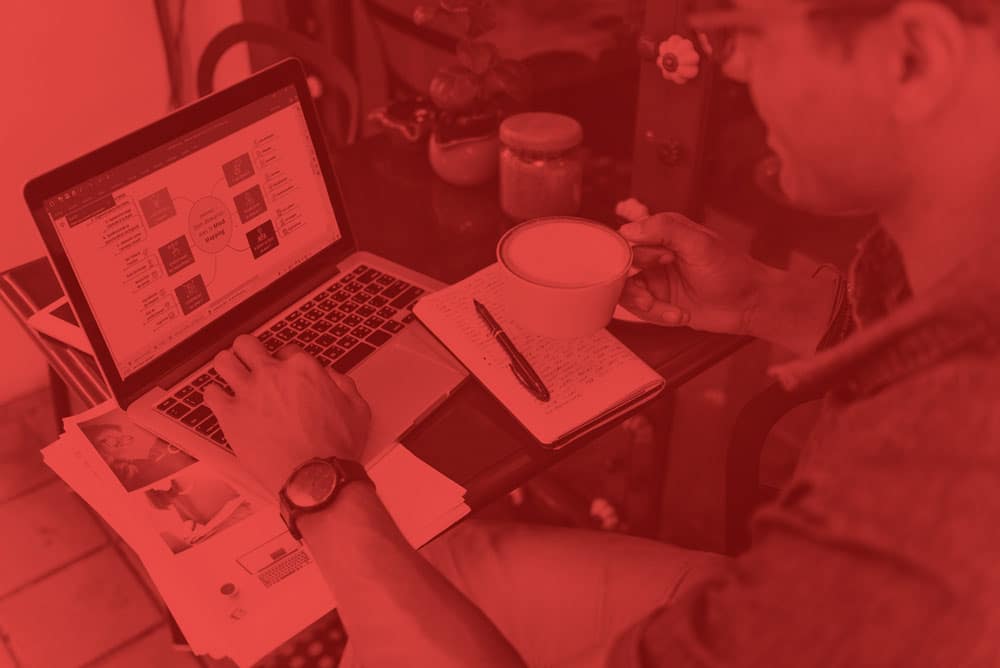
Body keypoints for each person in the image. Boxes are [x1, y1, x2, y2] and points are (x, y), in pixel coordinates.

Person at [203, 0, 1000, 665]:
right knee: (430, 562)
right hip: (777, 608)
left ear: (913, 58)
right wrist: (767, 302)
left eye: (749, 33)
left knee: (377, 578)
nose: (735, 70)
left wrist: (321, 484)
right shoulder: (952, 274)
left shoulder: (928, 495)